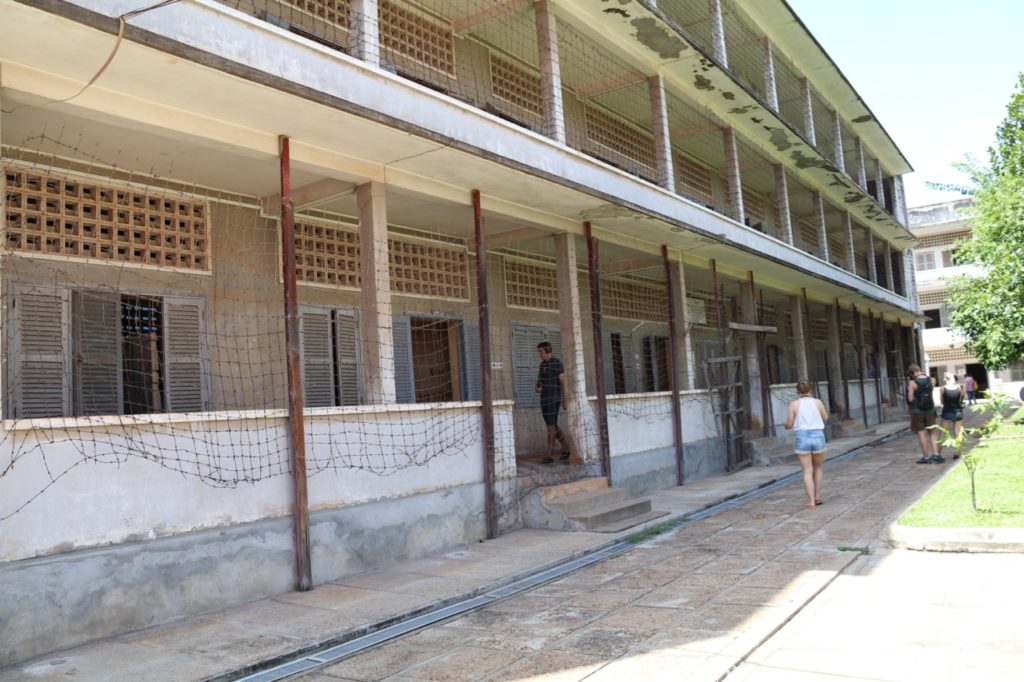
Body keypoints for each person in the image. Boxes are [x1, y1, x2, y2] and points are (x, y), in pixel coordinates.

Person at [784, 380, 829, 509]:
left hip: (802, 437)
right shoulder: (818, 402)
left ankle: (811, 501)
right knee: (818, 468)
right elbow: (825, 417)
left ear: (797, 392)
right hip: (818, 435)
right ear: (811, 390)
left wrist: (785, 425)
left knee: (807, 471)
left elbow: (790, 424)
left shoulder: (794, 404)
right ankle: (818, 496)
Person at [535, 341, 571, 464]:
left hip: (554, 399)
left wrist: (565, 400)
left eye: (540, 351)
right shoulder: (541, 365)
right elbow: (539, 382)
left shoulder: (557, 363)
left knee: (551, 427)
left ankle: (549, 453)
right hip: (544, 399)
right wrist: (538, 387)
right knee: (553, 425)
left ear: (547, 351)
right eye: (538, 351)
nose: (539, 354)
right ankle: (566, 448)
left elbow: (563, 383)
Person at [907, 364, 943, 464]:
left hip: (917, 411)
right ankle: (936, 454)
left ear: (912, 372)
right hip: (930, 410)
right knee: (932, 432)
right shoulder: (932, 380)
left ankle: (926, 457)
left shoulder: (912, 383)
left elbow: (910, 399)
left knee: (921, 433)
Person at [939, 372, 965, 460]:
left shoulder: (942, 388)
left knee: (942, 433)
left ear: (945, 379)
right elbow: (961, 398)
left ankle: (938, 453)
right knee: (957, 433)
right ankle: (956, 453)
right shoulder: (960, 387)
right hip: (958, 411)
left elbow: (942, 402)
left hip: (947, 412)